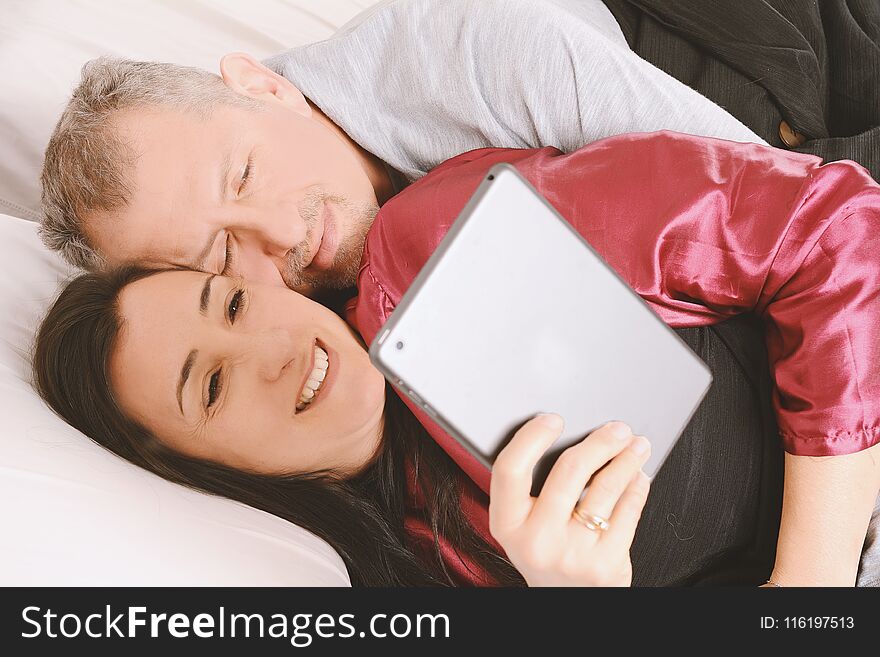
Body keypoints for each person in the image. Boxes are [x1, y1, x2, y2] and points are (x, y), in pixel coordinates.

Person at [35, 131, 880, 586]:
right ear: (206, 470)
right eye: (211, 385)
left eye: (233, 301)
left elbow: (837, 227)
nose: (273, 348)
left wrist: (810, 588)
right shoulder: (383, 574)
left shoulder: (438, 251)